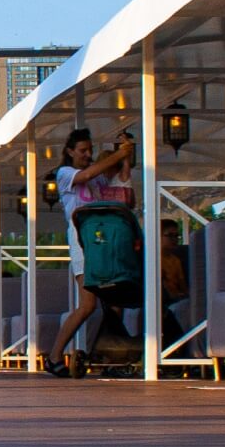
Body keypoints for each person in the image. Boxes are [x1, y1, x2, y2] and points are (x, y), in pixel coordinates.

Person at [45, 127, 137, 376]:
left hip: (102, 242)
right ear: (70, 151)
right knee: (88, 304)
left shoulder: (99, 179)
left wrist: (125, 158)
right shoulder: (65, 174)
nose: (87, 155)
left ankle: (110, 354)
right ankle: (54, 355)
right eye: (83, 151)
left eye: (90, 150)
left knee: (115, 298)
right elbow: (87, 174)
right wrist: (119, 155)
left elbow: (122, 187)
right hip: (81, 242)